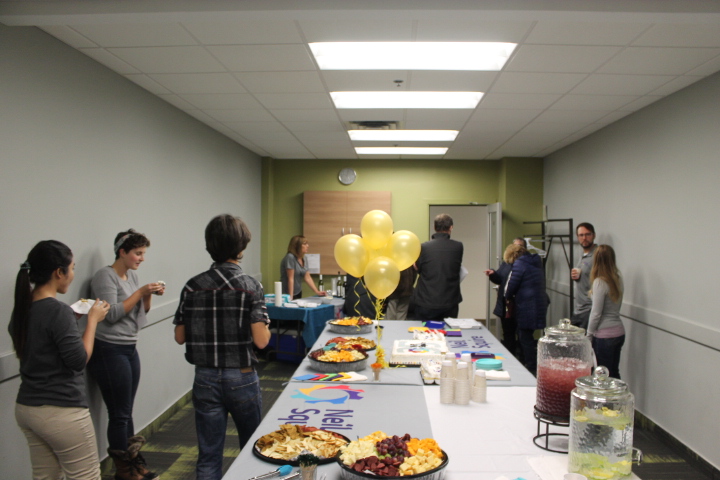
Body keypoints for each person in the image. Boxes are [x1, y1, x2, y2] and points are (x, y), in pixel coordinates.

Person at [174, 214, 271, 480]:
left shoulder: (192, 287)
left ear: (210, 246)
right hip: (241, 376)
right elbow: (262, 341)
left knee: (208, 454)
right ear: (241, 248)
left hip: (204, 377)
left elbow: (180, 336)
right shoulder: (251, 286)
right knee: (252, 450)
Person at [10, 240, 110, 480]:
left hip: (27, 409)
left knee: (45, 476)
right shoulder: (58, 311)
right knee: (86, 475)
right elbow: (78, 360)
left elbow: (43, 345)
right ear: (59, 272)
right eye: (72, 268)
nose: (73, 274)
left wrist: (71, 319)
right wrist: (93, 320)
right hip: (61, 410)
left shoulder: (23, 309)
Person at [88, 229, 164, 480]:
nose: (141, 258)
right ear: (122, 252)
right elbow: (110, 314)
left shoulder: (131, 276)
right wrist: (140, 292)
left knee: (125, 411)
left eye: (143, 253)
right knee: (119, 414)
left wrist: (148, 295)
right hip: (109, 350)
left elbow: (140, 314)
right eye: (137, 253)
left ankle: (133, 462)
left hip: (129, 347)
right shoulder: (104, 276)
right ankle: (124, 470)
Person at [504, 244, 548, 376]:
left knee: (525, 338)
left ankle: (531, 368)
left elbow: (512, 285)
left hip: (527, 306)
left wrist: (506, 296)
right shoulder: (535, 262)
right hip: (538, 304)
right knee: (527, 336)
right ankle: (530, 364)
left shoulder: (520, 264)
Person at [413, 214, 464, 320]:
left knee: (424, 334)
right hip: (450, 302)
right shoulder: (458, 247)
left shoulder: (423, 247)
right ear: (451, 227)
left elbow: (418, 268)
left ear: (434, 227)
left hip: (426, 301)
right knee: (449, 334)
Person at [587, 245, 625, 379]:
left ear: (596, 260)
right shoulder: (618, 279)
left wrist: (589, 335)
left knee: (602, 377)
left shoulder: (599, 282)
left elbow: (596, 313)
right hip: (619, 332)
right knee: (613, 373)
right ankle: (617, 400)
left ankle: (606, 401)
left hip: (604, 335)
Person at [485, 237, 526, 356]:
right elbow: (500, 279)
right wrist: (493, 274)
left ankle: (523, 361)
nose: (516, 250)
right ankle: (510, 357)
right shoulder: (506, 263)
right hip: (506, 306)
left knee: (522, 334)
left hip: (520, 306)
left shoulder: (525, 265)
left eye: (519, 247)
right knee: (508, 334)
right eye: (514, 246)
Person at [280, 235, 326, 299]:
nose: (308, 246)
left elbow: (307, 277)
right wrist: (290, 297)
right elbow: (291, 279)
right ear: (296, 246)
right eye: (304, 244)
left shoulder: (304, 258)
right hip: (287, 294)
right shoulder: (290, 257)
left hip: (298, 292)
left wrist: (317, 291)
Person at [571, 222, 597, 330]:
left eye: (587, 234)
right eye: (581, 235)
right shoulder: (583, 255)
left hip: (589, 310)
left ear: (594, 235)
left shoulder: (597, 255)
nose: (584, 238)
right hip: (579, 309)